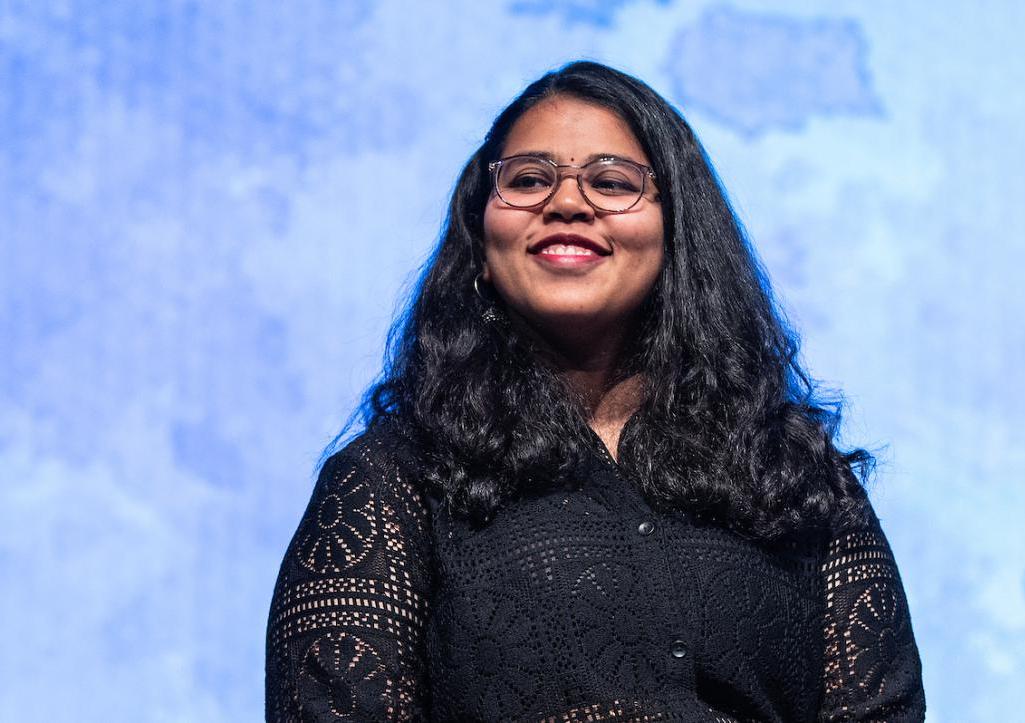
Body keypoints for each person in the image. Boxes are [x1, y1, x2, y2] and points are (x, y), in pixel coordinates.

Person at [265, 60, 925, 722]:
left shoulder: (793, 475)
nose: (567, 203)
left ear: (677, 236)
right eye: (527, 180)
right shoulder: (390, 479)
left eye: (611, 182)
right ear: (479, 241)